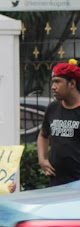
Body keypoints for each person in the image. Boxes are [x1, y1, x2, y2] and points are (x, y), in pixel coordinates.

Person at [37, 58, 80, 186]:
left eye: (57, 82)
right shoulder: (53, 108)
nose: (53, 87)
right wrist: (42, 159)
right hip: (56, 182)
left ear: (72, 83)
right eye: (53, 82)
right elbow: (43, 135)